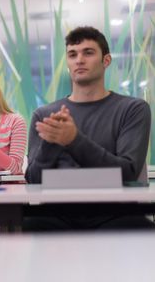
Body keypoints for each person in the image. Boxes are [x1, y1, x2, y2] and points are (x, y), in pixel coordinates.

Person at [24, 26, 153, 230]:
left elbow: (127, 172)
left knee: (139, 228)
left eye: (88, 52)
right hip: (55, 215)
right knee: (30, 227)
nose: (79, 60)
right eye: (72, 54)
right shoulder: (45, 115)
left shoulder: (133, 109)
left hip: (115, 215)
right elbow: (34, 180)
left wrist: (73, 140)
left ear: (106, 60)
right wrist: (51, 144)